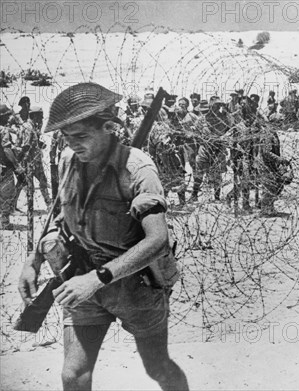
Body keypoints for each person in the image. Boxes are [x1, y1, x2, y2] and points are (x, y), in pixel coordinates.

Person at [18, 82, 188, 390]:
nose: (72, 145)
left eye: (81, 136)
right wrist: (34, 260)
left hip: (135, 284)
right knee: (74, 375)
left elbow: (157, 240)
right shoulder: (69, 160)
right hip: (80, 277)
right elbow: (60, 213)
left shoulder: (137, 169)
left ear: (109, 127)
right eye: (66, 137)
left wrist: (98, 278)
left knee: (158, 368)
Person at [15, 106, 52, 208]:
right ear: (35, 116)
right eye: (40, 116)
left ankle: (48, 203)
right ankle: (47, 204)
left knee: (22, 184)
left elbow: (29, 143)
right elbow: (26, 146)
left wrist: (39, 144)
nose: (41, 118)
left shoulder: (29, 127)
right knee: (32, 185)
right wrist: (22, 164)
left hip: (32, 161)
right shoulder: (28, 128)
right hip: (31, 162)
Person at [1, 103, 24, 229]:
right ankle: (4, 222)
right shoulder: (3, 130)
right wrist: (17, 166)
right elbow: (7, 150)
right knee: (7, 194)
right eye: (7, 115)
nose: (9, 118)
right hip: (4, 168)